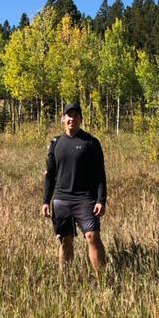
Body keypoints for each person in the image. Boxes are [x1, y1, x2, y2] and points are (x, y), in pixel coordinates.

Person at [42, 102, 107, 272]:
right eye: (68, 116)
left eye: (76, 116)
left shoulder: (91, 142)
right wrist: (45, 201)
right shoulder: (55, 143)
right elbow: (50, 174)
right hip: (61, 200)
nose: (72, 119)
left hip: (85, 199)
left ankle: (102, 279)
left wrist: (101, 200)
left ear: (81, 119)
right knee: (65, 240)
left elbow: (100, 174)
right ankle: (65, 280)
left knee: (92, 236)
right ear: (63, 119)